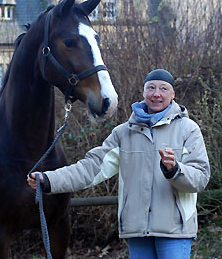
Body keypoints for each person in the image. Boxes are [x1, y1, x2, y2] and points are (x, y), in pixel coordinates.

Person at [27, 69, 210, 259]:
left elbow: (201, 178)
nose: (157, 94)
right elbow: (91, 168)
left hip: (175, 231)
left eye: (164, 89)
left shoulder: (189, 129)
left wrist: (175, 170)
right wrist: (49, 179)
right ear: (143, 92)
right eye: (151, 88)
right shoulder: (123, 133)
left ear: (173, 95)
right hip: (137, 230)